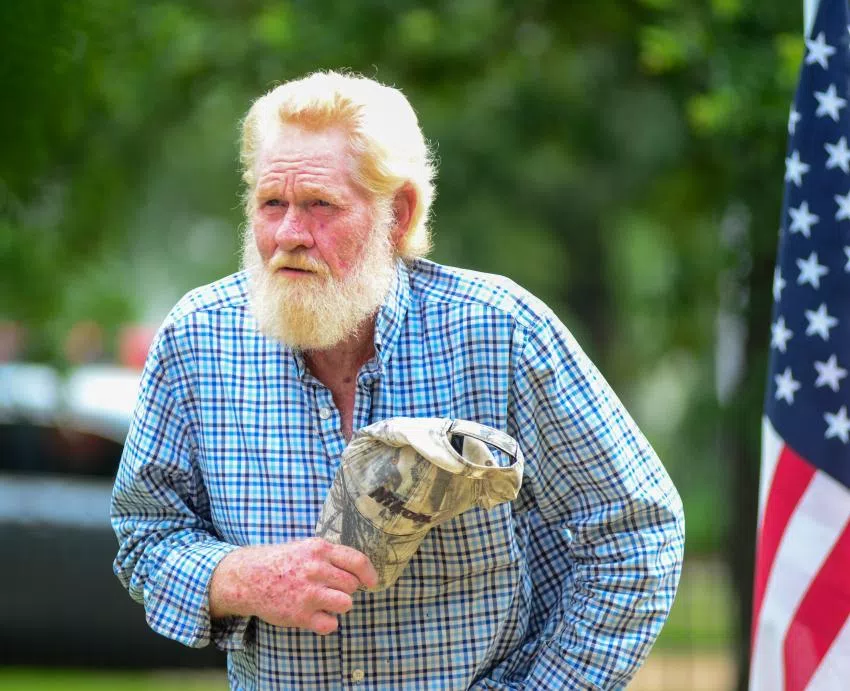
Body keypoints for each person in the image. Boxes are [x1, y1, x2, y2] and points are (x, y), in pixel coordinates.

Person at [111, 70, 685, 690]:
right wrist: (239, 578)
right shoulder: (197, 339)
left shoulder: (500, 331)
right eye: (272, 203)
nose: (290, 234)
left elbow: (638, 529)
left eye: (320, 205)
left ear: (397, 214)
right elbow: (146, 535)